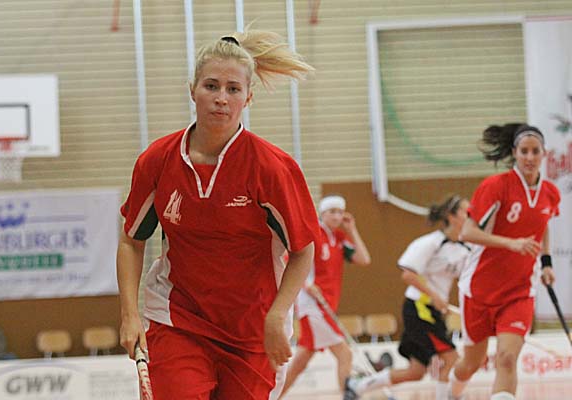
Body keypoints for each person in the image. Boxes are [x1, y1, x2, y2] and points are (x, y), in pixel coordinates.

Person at [116, 29, 320, 400]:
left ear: (248, 97)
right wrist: (130, 314)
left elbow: (303, 251)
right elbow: (132, 241)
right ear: (192, 89)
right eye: (211, 86)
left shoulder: (273, 168)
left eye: (233, 89)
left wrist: (278, 314)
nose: (221, 98)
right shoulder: (157, 161)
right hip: (178, 319)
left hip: (253, 331)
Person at [448, 123, 560, 400]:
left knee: (507, 359)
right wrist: (511, 243)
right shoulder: (495, 186)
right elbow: (467, 232)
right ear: (514, 153)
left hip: (519, 292)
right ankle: (450, 394)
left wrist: (546, 262)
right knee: (471, 364)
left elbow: (542, 225)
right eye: (524, 151)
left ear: (544, 154)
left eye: (535, 151)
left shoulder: (550, 193)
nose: (530, 157)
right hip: (480, 290)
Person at [344, 195, 471, 400]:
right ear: (451, 216)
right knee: (451, 358)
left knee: (416, 371)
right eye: (466, 211)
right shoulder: (431, 243)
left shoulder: (465, 248)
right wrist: (434, 296)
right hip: (419, 308)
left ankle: (358, 386)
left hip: (433, 311)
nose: (471, 215)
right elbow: (408, 274)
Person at [280, 195, 371, 397]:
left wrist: (351, 230)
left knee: (301, 361)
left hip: (328, 304)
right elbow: (288, 260)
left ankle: (272, 396)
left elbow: (364, 259)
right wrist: (306, 284)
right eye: (332, 212)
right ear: (322, 213)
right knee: (345, 354)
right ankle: (347, 395)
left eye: (340, 212)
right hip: (312, 305)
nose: (337, 216)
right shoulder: (313, 233)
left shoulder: (339, 238)